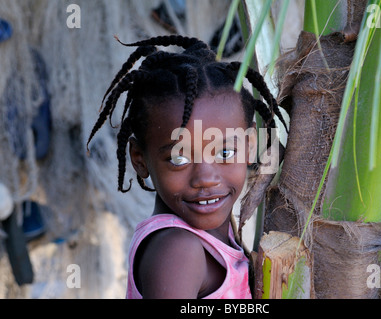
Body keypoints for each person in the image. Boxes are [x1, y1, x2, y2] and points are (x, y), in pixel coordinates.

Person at [86, 35, 287, 299]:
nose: (205, 178)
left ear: (250, 145)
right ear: (139, 159)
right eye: (178, 159)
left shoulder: (214, 236)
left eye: (225, 152)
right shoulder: (178, 251)